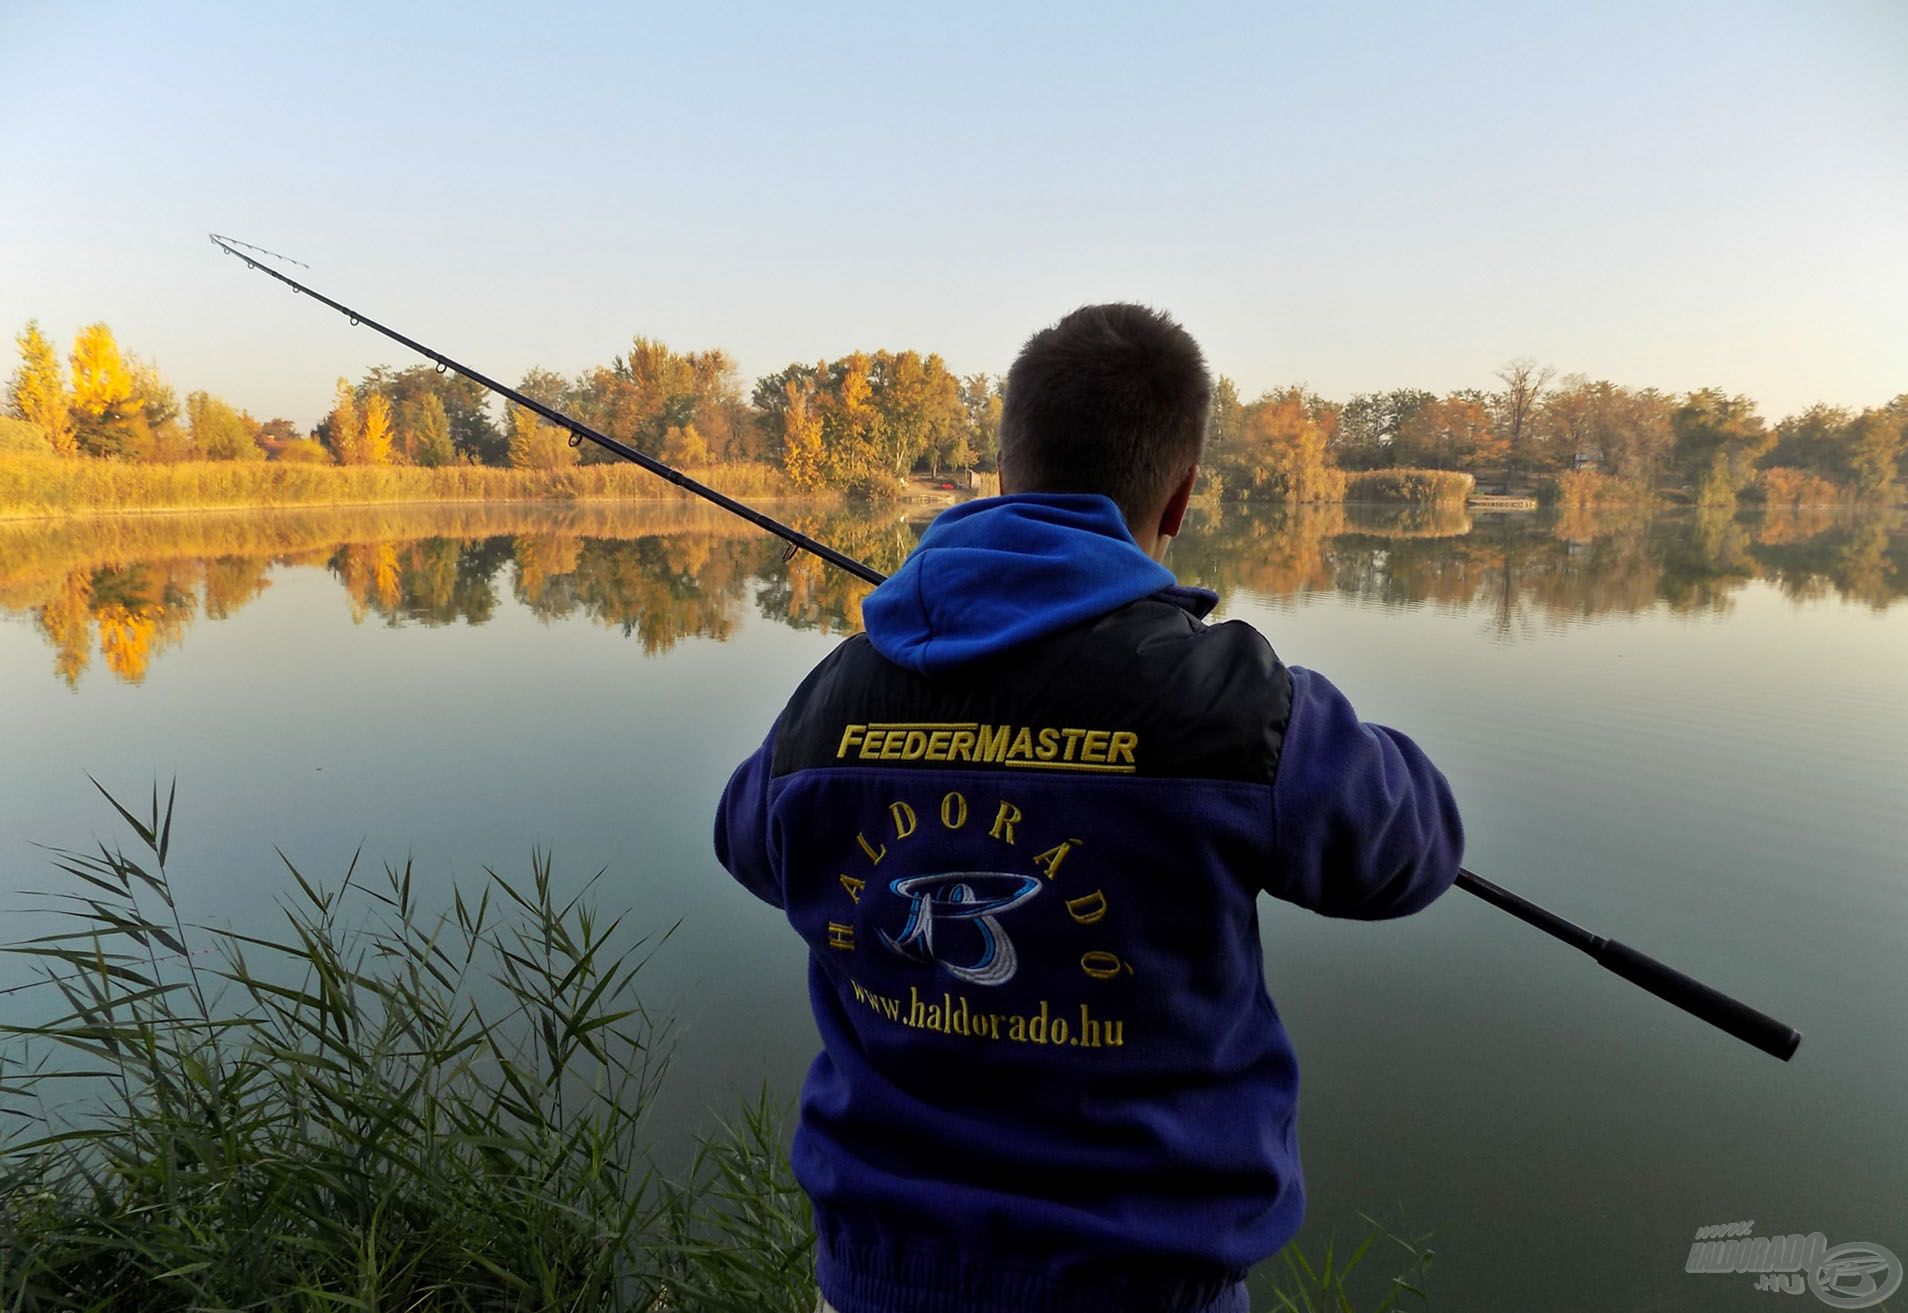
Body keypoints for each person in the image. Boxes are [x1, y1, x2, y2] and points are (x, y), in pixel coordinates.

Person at [714, 303, 1463, 1313]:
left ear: (1005, 465)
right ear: (1183, 494)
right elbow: (1411, 850)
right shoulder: (1233, 702)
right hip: (1144, 1284)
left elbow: (746, 838)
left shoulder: (835, 696)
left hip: (875, 1278)